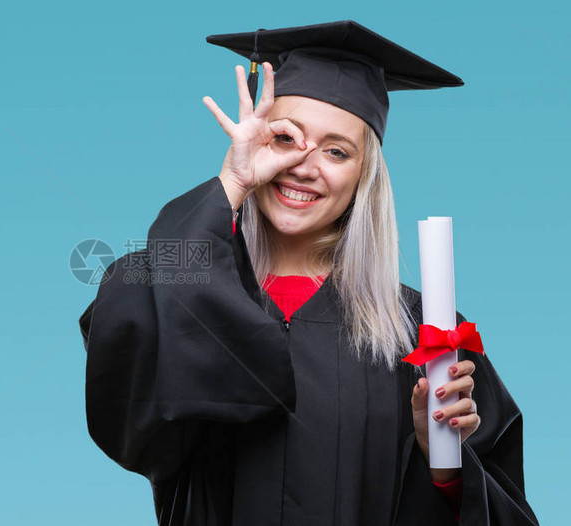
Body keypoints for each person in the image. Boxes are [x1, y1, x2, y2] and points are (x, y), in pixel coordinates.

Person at [78, 21, 539, 526]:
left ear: (365, 177)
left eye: (337, 151)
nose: (305, 165)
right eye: (285, 137)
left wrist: (446, 468)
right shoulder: (189, 300)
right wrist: (231, 181)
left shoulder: (425, 332)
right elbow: (127, 392)